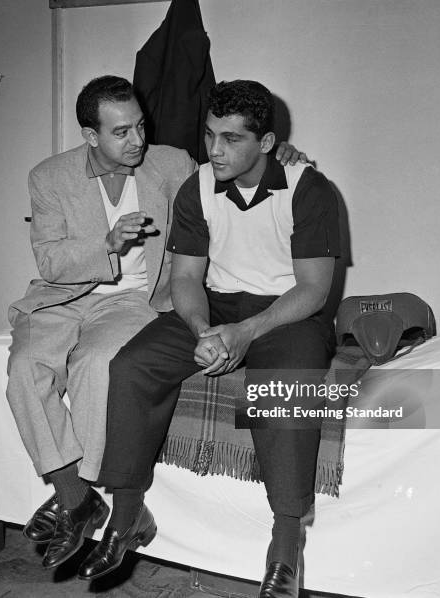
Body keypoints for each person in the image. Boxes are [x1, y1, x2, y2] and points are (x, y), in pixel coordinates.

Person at [5, 75, 306, 571]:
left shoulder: (171, 162)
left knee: (99, 363)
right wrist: (105, 243)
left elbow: (233, 164)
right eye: (121, 132)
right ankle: (75, 494)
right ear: (90, 136)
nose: (137, 140)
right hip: (62, 297)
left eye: (140, 126)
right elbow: (50, 262)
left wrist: (283, 153)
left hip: (133, 301)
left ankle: (91, 501)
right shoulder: (48, 177)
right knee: (23, 369)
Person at [78, 80, 340, 598]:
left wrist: (245, 334)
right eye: (209, 134)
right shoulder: (196, 186)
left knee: (282, 389)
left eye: (231, 139)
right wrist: (203, 331)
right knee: (132, 365)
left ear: (265, 144)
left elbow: (314, 290)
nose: (214, 150)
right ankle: (128, 513)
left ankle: (286, 545)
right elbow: (184, 279)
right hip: (214, 306)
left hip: (287, 313)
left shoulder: (309, 188)